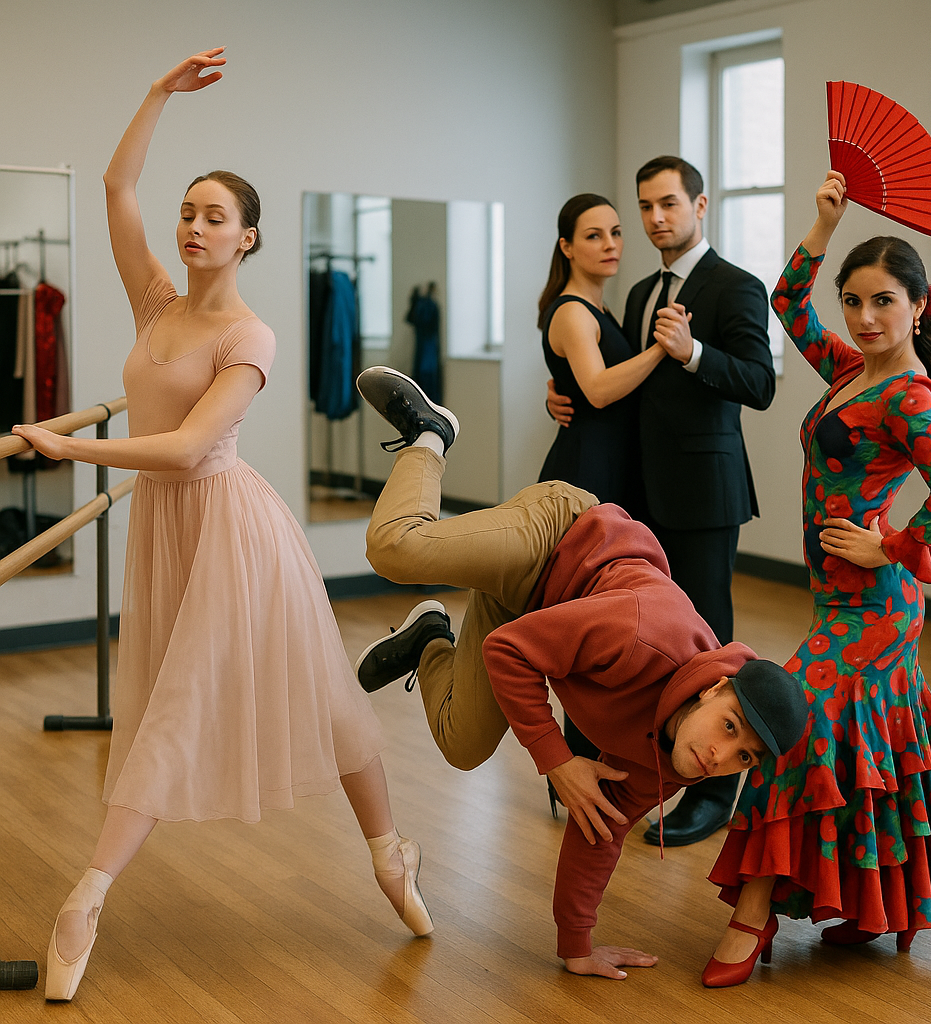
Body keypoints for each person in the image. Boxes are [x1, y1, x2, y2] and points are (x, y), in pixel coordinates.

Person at [12, 49, 431, 1003]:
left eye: (215, 217)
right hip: (169, 534)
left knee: (284, 704)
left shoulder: (251, 336)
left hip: (233, 531)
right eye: (189, 212)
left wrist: (69, 450)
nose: (194, 225)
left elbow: (191, 448)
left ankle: (88, 899)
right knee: (175, 701)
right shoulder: (155, 304)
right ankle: (390, 855)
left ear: (247, 239)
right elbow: (119, 185)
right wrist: (157, 93)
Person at [351, 365, 808, 980]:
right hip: (557, 543)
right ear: (715, 688)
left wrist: (576, 946)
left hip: (538, 619)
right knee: (396, 549)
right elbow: (511, 652)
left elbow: (602, 830)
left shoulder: (672, 758)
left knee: (462, 746)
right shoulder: (645, 634)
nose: (720, 756)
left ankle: (431, 639)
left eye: (743, 758)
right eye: (729, 728)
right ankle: (432, 434)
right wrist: (558, 761)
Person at [701, 171, 931, 988]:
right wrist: (825, 224)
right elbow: (790, 304)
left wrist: (890, 547)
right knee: (864, 748)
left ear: (918, 306)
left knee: (788, 727)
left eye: (883, 303)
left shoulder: (907, 396)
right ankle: (870, 906)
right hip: (839, 598)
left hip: (876, 605)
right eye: (855, 301)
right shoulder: (849, 371)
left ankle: (751, 914)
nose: (863, 318)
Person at [548, 155, 776, 847]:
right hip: (635, 493)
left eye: (669, 204)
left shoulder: (737, 285)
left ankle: (713, 795)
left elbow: (759, 383)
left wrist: (694, 350)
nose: (656, 219)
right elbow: (616, 379)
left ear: (700, 206)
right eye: (646, 206)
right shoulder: (640, 287)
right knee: (634, 634)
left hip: (705, 491)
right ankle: (627, 765)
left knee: (708, 642)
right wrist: (565, 396)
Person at [537, 193, 665, 509]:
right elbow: (597, 390)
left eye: (616, 232)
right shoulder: (573, 312)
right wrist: (662, 346)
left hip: (610, 459)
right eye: (594, 236)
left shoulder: (598, 308)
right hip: (588, 467)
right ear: (566, 247)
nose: (610, 244)